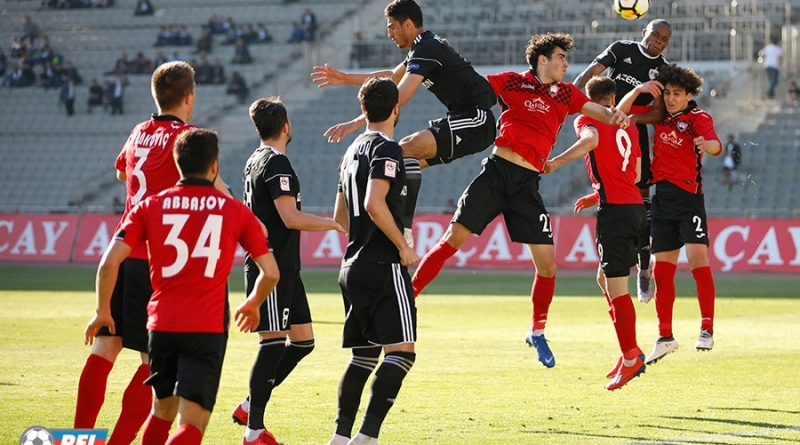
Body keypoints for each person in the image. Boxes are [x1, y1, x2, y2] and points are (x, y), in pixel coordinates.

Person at [410, 33, 629, 369]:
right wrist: (440, 63)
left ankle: (537, 331)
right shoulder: (512, 81)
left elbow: (599, 112)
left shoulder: (567, 94)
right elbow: (470, 86)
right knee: (452, 240)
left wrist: (618, 115)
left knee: (548, 266)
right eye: (561, 57)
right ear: (543, 59)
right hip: (496, 174)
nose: (566, 64)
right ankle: (407, 298)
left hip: (527, 185)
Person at [84, 128, 280, 445]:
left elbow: (109, 263)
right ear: (214, 166)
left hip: (161, 325)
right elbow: (270, 272)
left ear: (177, 165)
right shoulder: (234, 211)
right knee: (191, 424)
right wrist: (253, 302)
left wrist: (102, 310)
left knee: (161, 412)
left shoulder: (149, 207)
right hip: (206, 328)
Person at [74, 61, 229, 445]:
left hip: (124, 250)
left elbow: (122, 174)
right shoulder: (188, 138)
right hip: (159, 264)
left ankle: (79, 438)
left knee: (105, 347)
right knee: (154, 363)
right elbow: (216, 189)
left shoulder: (139, 131)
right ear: (189, 97)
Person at [311, 0, 497, 249]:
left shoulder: (427, 47)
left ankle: (402, 229)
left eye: (391, 26)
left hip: (477, 120)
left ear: (408, 24)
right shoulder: (422, 48)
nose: (389, 33)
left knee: (402, 150)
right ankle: (381, 222)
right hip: (462, 119)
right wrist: (345, 78)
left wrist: (358, 122)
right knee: (399, 163)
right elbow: (391, 76)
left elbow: (399, 96)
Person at [232, 97, 345, 445]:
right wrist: (335, 224)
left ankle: (248, 406)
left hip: (286, 266)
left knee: (303, 341)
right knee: (272, 344)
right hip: (272, 266)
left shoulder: (254, 160)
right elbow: (290, 217)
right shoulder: (276, 163)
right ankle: (254, 431)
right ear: (285, 126)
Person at [327, 77, 419, 445]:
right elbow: (373, 203)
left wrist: (364, 237)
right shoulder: (387, 149)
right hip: (383, 265)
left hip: (352, 265)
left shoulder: (351, 151)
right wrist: (402, 246)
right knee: (402, 353)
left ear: (363, 110)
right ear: (396, 108)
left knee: (362, 358)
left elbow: (340, 217)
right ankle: (367, 437)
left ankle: (340, 436)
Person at [543, 77, 645, 390]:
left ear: (588, 100)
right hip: (634, 207)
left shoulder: (587, 120)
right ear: (613, 98)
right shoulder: (628, 124)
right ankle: (628, 349)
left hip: (616, 212)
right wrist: (596, 193)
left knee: (617, 287)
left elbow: (591, 140)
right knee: (604, 279)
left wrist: (555, 162)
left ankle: (631, 356)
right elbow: (636, 174)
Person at [618, 64, 722, 364]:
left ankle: (706, 328)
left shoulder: (698, 118)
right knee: (662, 270)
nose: (672, 99)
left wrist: (706, 144)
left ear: (689, 95)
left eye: (678, 94)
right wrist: (640, 91)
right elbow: (623, 113)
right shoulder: (659, 116)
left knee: (698, 261)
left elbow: (716, 145)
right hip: (662, 199)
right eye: (668, 94)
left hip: (689, 200)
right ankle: (665, 337)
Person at [573, 19, 672, 305]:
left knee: (641, 197)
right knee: (611, 185)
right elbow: (592, 72)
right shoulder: (622, 49)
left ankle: (643, 267)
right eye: (655, 34)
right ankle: (618, 258)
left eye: (664, 39)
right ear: (644, 32)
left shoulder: (663, 69)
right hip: (606, 121)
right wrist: (570, 98)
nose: (658, 41)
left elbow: (659, 112)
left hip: (633, 129)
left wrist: (632, 118)